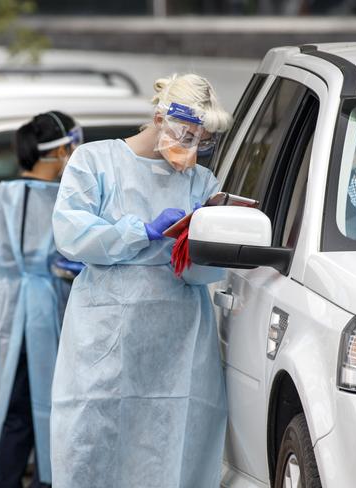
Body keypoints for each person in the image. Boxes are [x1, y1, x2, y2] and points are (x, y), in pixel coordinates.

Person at [50, 73, 232, 487]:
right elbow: (70, 233)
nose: (191, 152)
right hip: (105, 336)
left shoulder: (202, 184)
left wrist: (208, 244)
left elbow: (204, 273)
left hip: (180, 341)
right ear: (158, 118)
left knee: (172, 439)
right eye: (185, 136)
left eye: (201, 142)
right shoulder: (95, 161)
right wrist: (141, 231)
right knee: (92, 439)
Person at [0, 111, 82, 488]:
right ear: (61, 150)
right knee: (51, 404)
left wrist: (5, 278)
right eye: (75, 145)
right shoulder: (69, 202)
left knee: (10, 404)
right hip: (47, 305)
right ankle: (46, 480)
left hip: (6, 305)